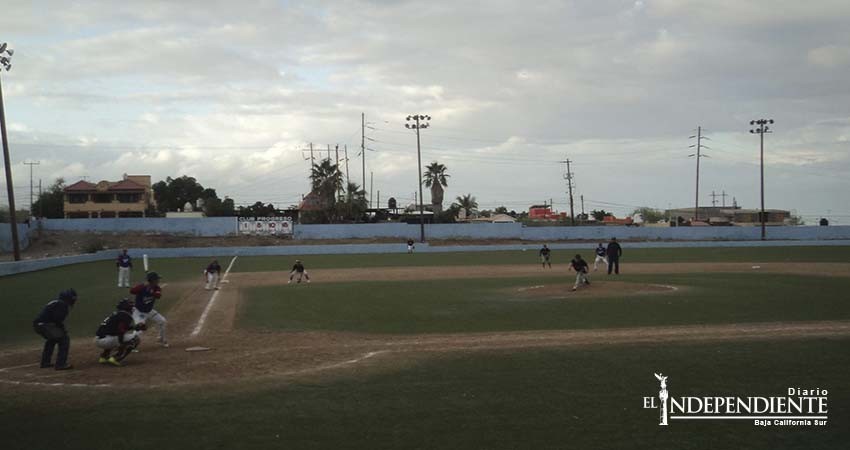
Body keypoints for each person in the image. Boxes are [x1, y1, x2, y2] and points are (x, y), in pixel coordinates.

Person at [32, 289, 77, 370]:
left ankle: (45, 362)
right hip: (45, 325)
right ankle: (60, 364)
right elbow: (57, 319)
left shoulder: (57, 302)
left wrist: (60, 328)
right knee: (64, 339)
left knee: (52, 339)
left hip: (39, 325)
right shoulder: (62, 304)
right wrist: (62, 329)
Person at [95, 298, 145, 367]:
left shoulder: (117, 314)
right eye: (131, 306)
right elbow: (121, 330)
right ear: (127, 307)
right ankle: (116, 358)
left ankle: (104, 357)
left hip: (98, 339)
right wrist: (121, 344)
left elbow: (118, 328)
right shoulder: (126, 315)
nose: (132, 308)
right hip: (106, 341)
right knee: (135, 339)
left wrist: (134, 327)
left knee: (114, 336)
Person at [130, 272, 169, 348]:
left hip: (149, 311)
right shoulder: (142, 287)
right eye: (157, 279)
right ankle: (131, 344)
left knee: (162, 321)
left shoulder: (157, 288)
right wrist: (142, 287)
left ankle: (161, 339)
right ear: (152, 280)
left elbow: (158, 296)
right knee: (139, 329)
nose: (158, 280)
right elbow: (132, 291)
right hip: (139, 312)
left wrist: (151, 291)